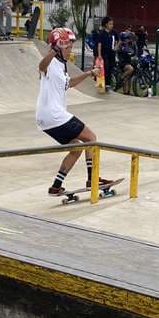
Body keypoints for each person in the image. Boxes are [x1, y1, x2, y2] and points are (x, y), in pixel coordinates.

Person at [37, 27, 113, 195]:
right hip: (55, 115)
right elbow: (41, 66)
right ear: (59, 48)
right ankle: (92, 179)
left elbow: (69, 83)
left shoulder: (61, 66)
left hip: (46, 120)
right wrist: (54, 50)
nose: (70, 51)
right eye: (68, 47)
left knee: (76, 148)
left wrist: (89, 73)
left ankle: (56, 186)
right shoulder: (51, 63)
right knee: (91, 138)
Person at [95, 16, 117, 91]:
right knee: (106, 68)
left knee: (110, 68)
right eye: (110, 24)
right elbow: (99, 44)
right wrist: (99, 54)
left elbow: (119, 40)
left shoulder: (114, 32)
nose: (112, 25)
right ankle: (105, 84)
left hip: (111, 53)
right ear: (106, 24)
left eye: (112, 24)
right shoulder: (102, 33)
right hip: (104, 53)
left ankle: (108, 83)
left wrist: (116, 47)